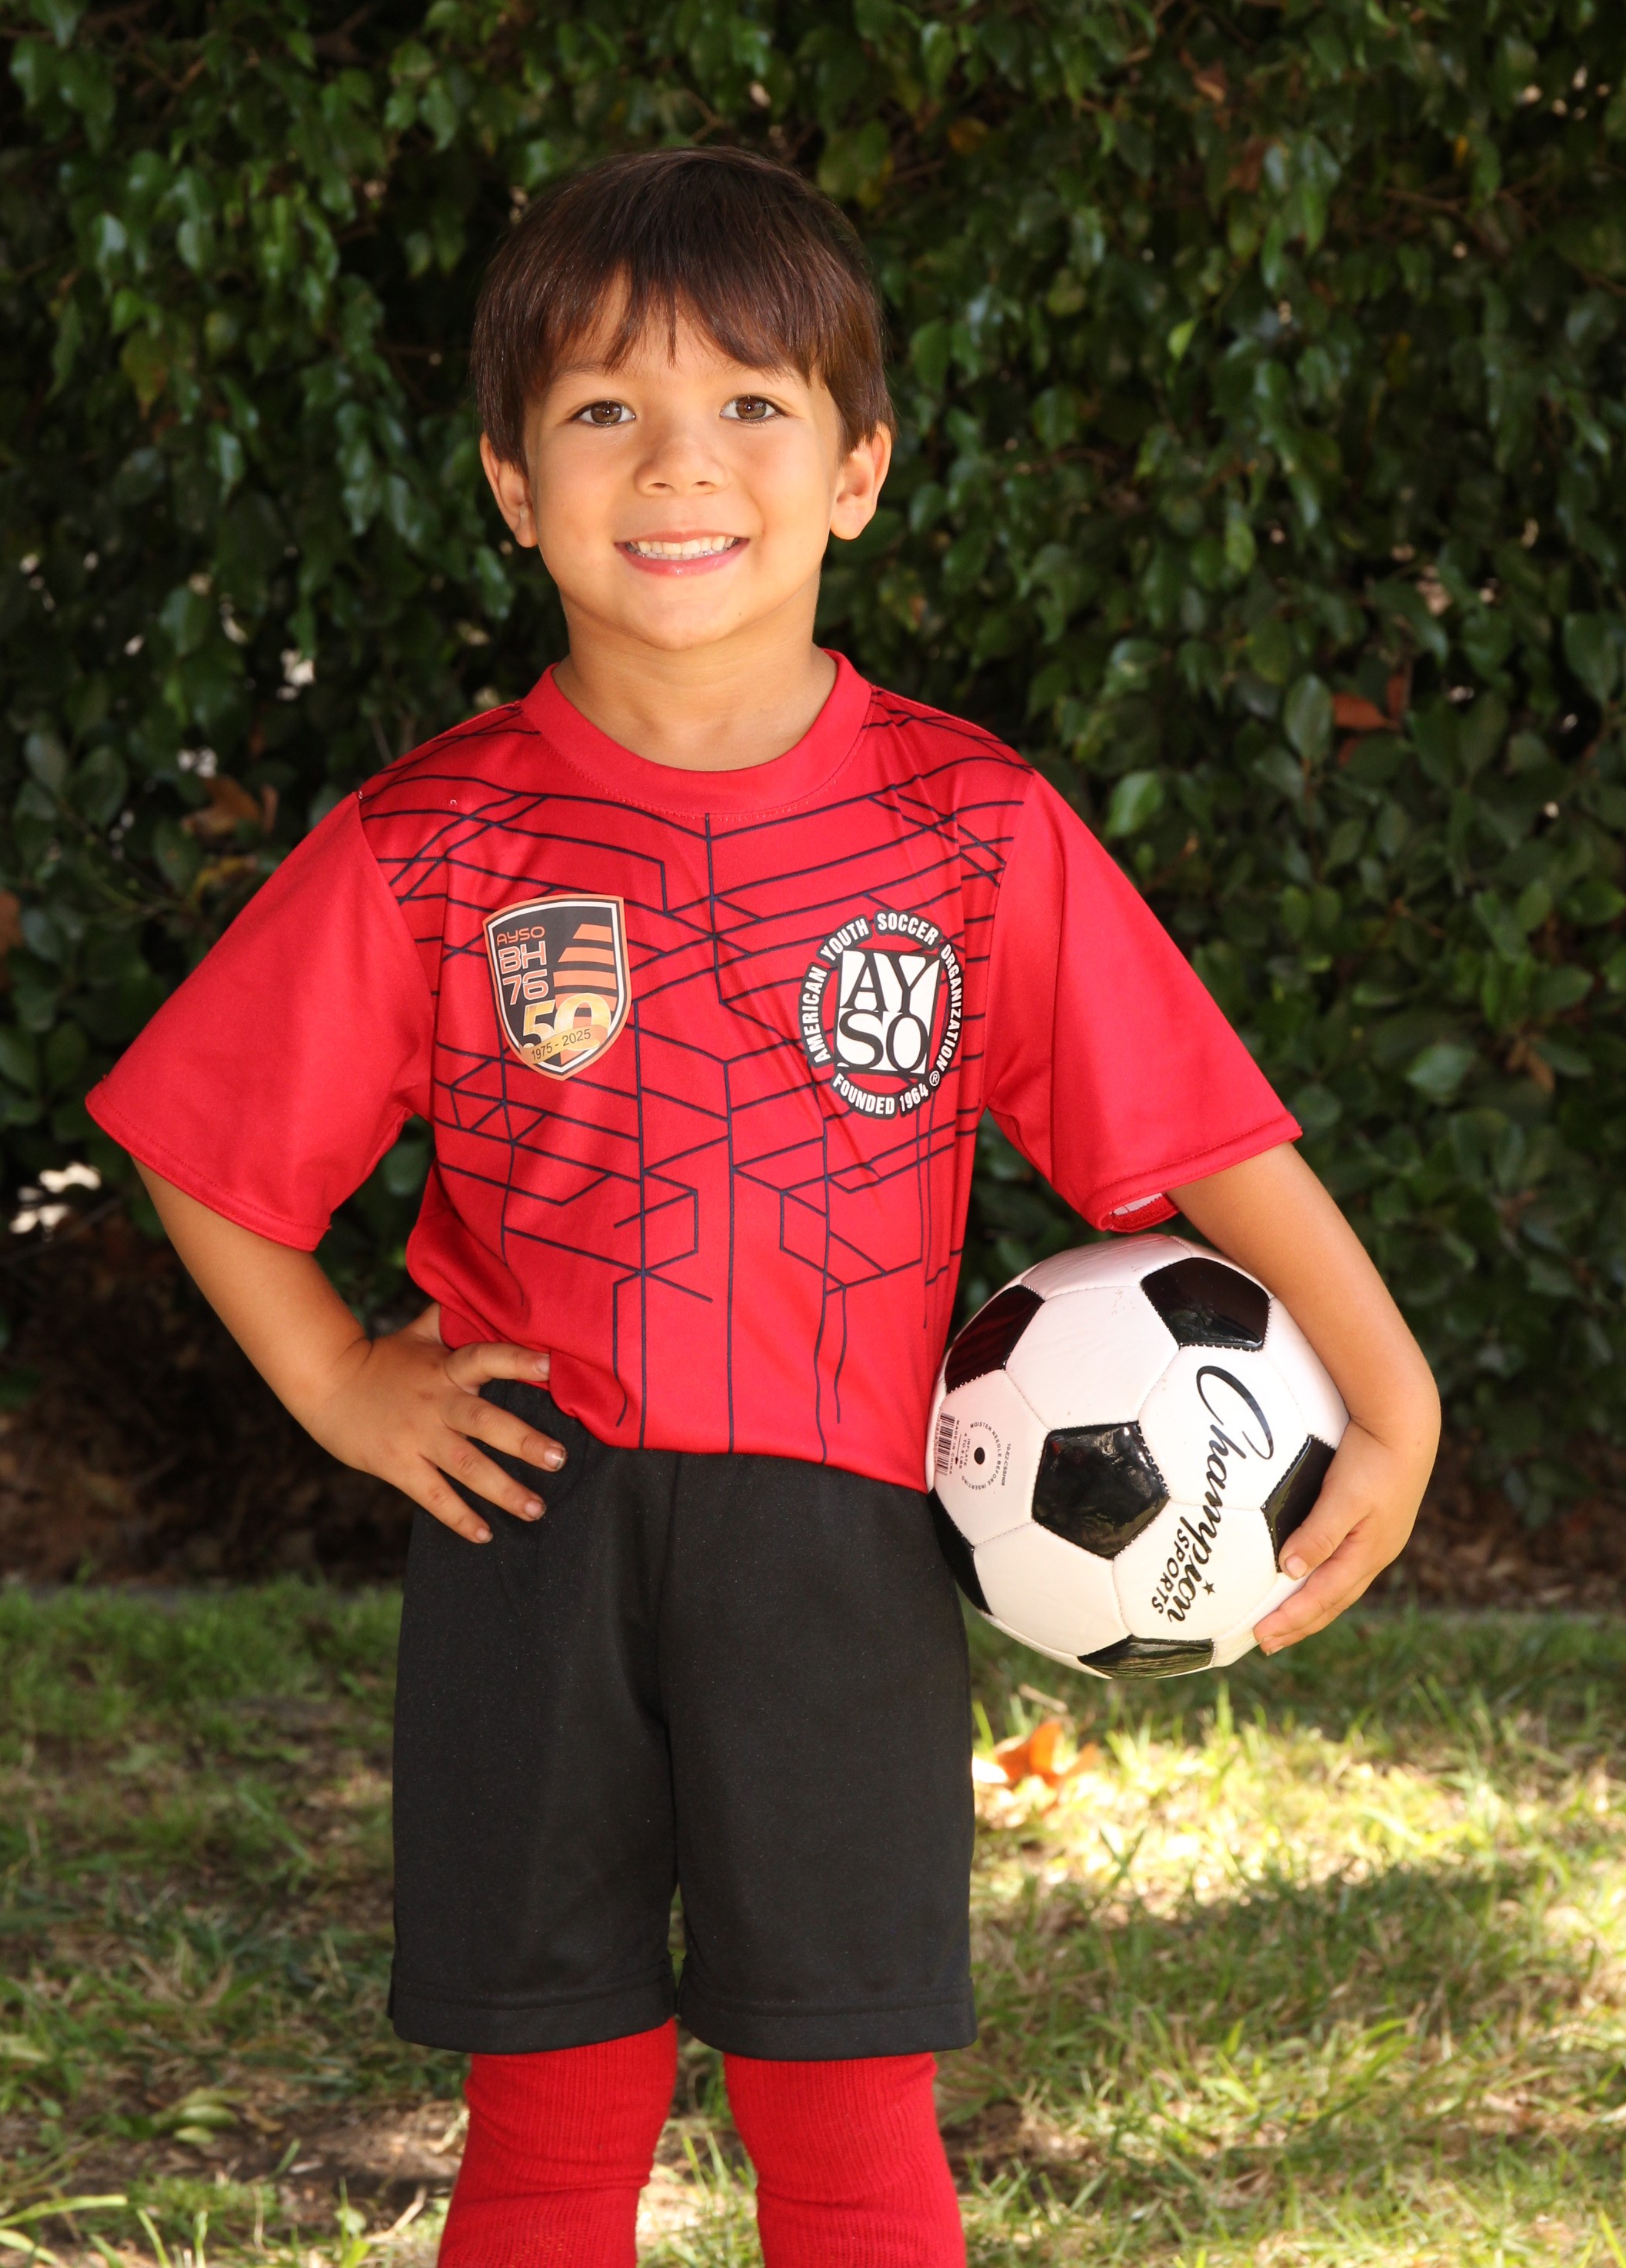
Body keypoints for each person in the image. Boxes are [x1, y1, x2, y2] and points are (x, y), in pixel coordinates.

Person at [87, 148, 1441, 2266]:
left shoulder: (971, 829)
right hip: (531, 1533)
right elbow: (206, 1138)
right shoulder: (434, 841)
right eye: (601, 408)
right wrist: (342, 1382)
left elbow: (1200, 1137)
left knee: (847, 2110)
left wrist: (1395, 1398)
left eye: (749, 402)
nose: (677, 462)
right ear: (513, 486)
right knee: (551, 2115)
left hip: (839, 1554)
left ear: (858, 467)